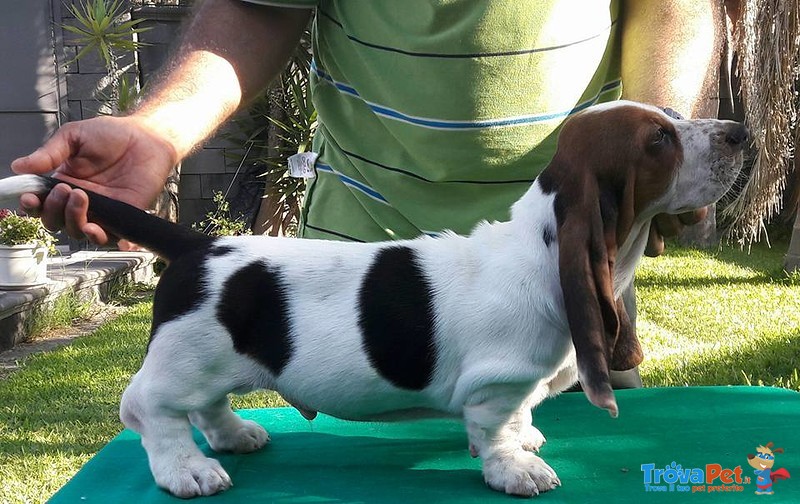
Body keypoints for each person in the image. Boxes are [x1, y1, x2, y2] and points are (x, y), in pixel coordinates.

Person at [11, 0, 730, 386]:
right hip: (358, 276)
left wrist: (658, 156)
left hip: (571, 263)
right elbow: (257, 6)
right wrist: (158, 133)